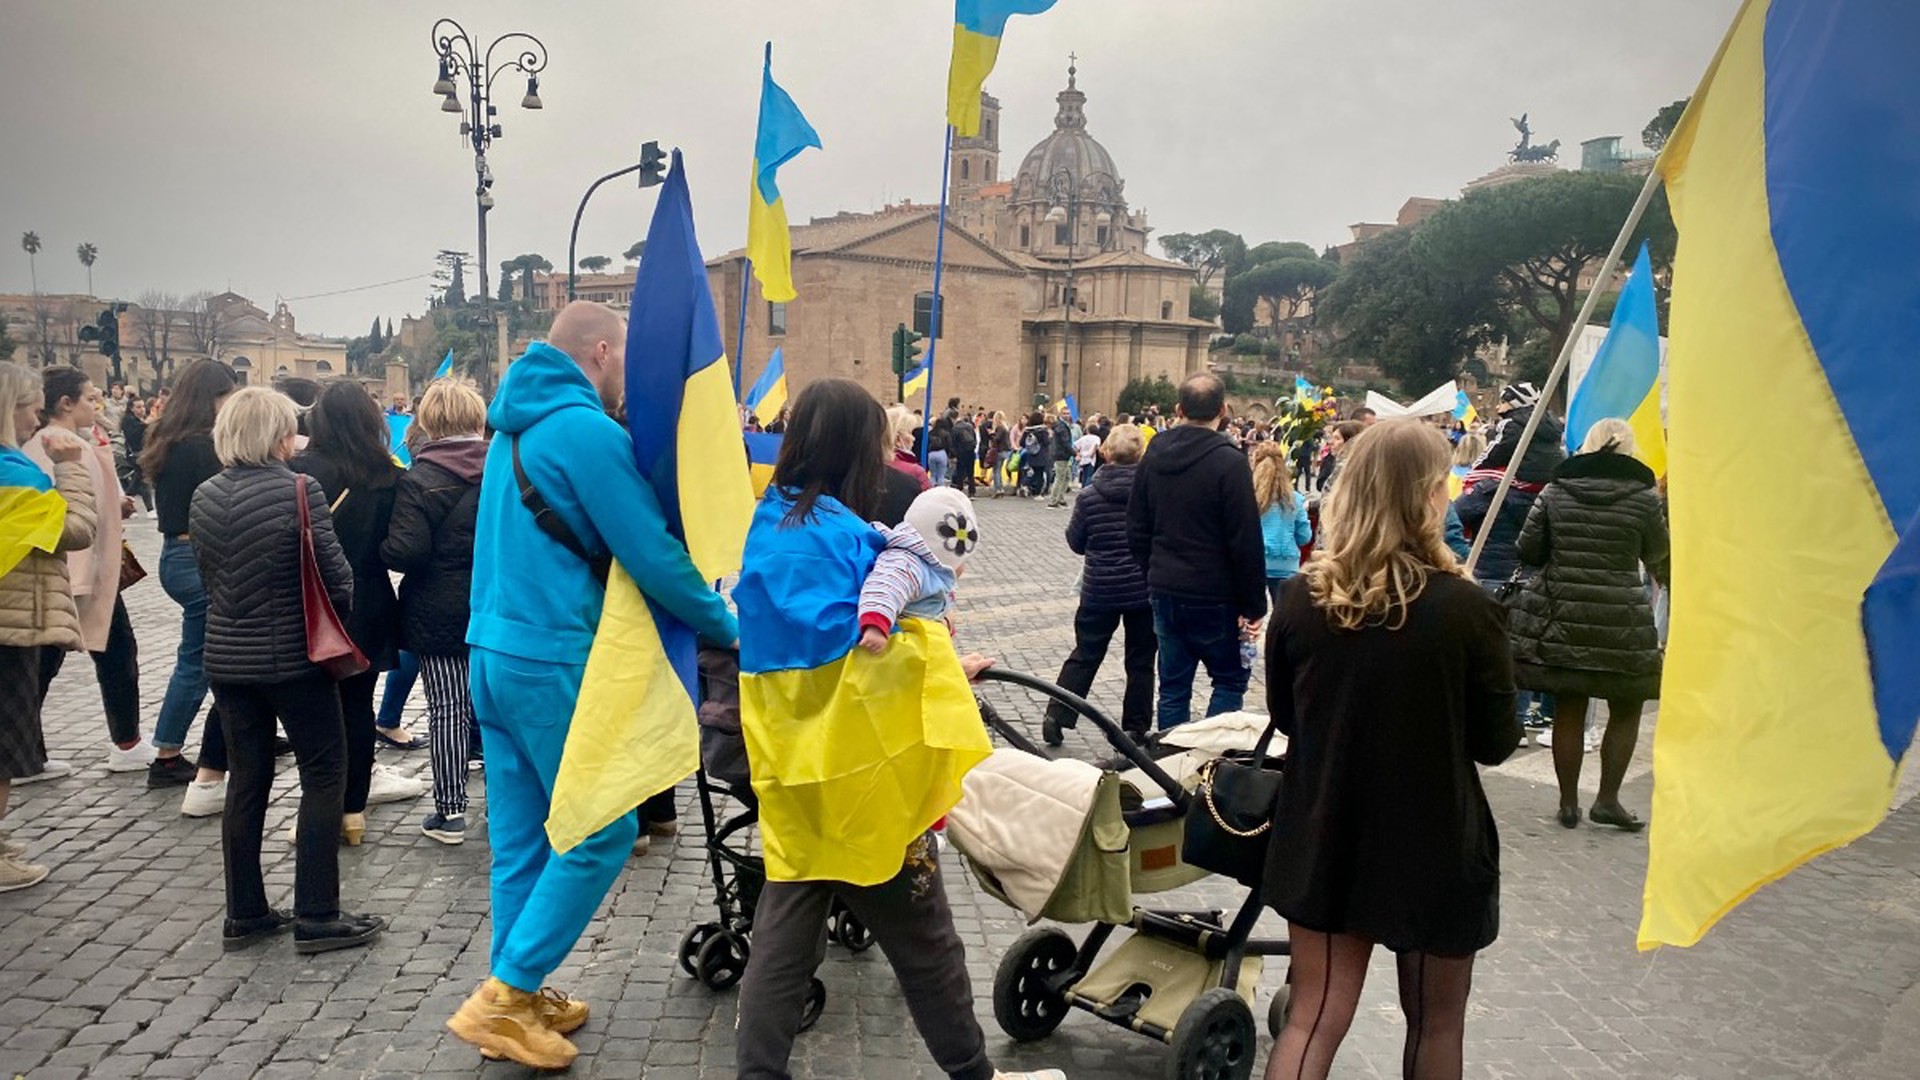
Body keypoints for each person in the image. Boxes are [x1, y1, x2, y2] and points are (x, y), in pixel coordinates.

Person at [731, 378, 1057, 1080]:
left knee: (783, 939)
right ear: (857, 447)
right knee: (927, 941)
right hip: (861, 781)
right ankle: (974, 1074)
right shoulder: (847, 538)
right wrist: (944, 660)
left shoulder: (768, 523)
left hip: (793, 773)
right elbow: (865, 652)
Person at [444, 302, 739, 1070]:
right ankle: (506, 996)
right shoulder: (585, 432)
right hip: (553, 658)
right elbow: (652, 554)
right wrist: (727, 623)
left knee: (520, 840)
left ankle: (520, 991)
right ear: (602, 351)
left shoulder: (513, 424)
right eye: (625, 360)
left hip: (492, 651)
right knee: (605, 828)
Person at [1263, 421, 1519, 1080]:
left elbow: (1287, 719)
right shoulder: (1467, 610)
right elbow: (1495, 744)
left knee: (1313, 1018)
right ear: (1429, 496)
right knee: (1435, 1027)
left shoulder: (1299, 599)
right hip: (1433, 841)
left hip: (1327, 834)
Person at [190, 387, 384, 952]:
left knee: (247, 780)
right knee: (324, 774)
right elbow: (337, 578)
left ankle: (244, 911)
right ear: (278, 434)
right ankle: (318, 912)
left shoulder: (205, 495)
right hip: (294, 660)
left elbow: (210, 579)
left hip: (227, 660)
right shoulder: (300, 489)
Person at [1507, 418, 1669, 831]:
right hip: (1622, 616)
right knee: (1628, 704)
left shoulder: (1556, 490)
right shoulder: (1644, 497)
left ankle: (1566, 803)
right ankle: (1608, 799)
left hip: (1563, 611)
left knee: (1570, 703)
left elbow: (1528, 549)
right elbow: (1658, 553)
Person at [293, 383, 424, 842]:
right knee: (357, 707)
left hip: (310, 600)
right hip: (366, 599)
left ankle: (317, 810)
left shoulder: (299, 470)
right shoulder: (387, 475)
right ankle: (352, 812)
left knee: (312, 710)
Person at [24, 368, 150, 773]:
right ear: (65, 403)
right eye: (89, 398)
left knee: (52, 661)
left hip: (84, 569)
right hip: (77, 570)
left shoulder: (61, 444)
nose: (96, 406)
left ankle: (28, 752)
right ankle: (125, 743)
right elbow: (65, 510)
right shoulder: (54, 447)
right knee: (96, 655)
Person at [0, 361, 96, 890]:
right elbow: (75, 528)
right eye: (27, 404)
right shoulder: (13, 475)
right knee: (4, 746)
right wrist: (70, 468)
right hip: (12, 621)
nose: (36, 414)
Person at [381, 379, 489, 845]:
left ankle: (450, 812)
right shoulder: (503, 467)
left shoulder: (419, 477)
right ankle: (508, 807)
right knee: (494, 705)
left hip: (438, 608)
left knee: (448, 707)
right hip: (495, 602)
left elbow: (406, 552)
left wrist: (381, 547)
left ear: (429, 423)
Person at [1127, 374, 1266, 730]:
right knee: (1230, 680)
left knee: (1173, 687)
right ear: (1223, 412)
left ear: (1178, 410)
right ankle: (1210, 762)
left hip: (1166, 586)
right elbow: (1244, 538)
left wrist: (1153, 570)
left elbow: (1136, 526)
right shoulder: (1230, 462)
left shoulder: (1153, 454)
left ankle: (1170, 764)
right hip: (1215, 593)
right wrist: (1253, 604)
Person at [142, 359, 239, 813]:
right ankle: (167, 754)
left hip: (174, 554)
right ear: (212, 397)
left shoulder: (167, 437)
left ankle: (227, 735)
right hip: (195, 557)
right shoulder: (202, 447)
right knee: (198, 660)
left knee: (206, 655)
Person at [1046, 423, 1155, 744]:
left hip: (1099, 588)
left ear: (1105, 453)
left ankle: (1058, 713)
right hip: (1141, 590)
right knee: (1141, 660)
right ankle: (1135, 727)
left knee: (1086, 653)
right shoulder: (1150, 495)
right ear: (1141, 455)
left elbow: (1076, 541)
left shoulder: (1090, 496)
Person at [857, 486, 978, 653]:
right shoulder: (905, 562)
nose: (960, 569)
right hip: (904, 646)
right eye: (958, 563)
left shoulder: (928, 566)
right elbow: (884, 587)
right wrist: (876, 624)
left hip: (925, 646)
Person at [1253, 442, 1313, 611]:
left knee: (1249, 616)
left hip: (1255, 562)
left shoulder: (1249, 497)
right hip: (1286, 565)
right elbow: (1304, 537)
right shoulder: (1295, 500)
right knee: (1283, 613)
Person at [1316, 420, 1363, 492]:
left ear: (1351, 442)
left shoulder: (1348, 467)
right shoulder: (1332, 459)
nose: (1331, 442)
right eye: (1332, 437)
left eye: (1337, 438)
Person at [1019, 411, 1052, 499]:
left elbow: (1021, 443)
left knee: (1031, 473)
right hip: (1041, 455)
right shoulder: (1042, 430)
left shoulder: (1027, 430)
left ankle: (1025, 484)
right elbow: (1046, 442)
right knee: (1040, 474)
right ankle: (1038, 493)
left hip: (1030, 455)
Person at [1047, 410, 1075, 507]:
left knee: (1066, 477)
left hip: (1063, 454)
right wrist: (1074, 453)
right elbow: (1065, 442)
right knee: (1059, 477)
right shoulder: (1061, 426)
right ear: (1060, 414)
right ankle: (1053, 500)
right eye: (1064, 413)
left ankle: (1060, 498)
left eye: (1068, 413)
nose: (1067, 415)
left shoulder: (1063, 425)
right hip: (1061, 454)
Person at [949, 407, 978, 496]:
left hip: (961, 453)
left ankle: (959, 489)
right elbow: (975, 439)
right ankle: (972, 492)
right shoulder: (969, 426)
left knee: (960, 472)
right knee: (971, 473)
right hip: (970, 451)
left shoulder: (955, 429)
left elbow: (953, 443)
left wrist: (953, 455)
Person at [925, 411, 952, 488]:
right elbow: (949, 445)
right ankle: (940, 490)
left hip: (931, 454)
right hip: (941, 453)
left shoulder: (931, 433)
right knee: (941, 475)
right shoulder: (946, 433)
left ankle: (931, 489)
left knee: (933, 475)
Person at [1073, 424, 1101, 488]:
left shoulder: (1083, 438)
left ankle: (1083, 486)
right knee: (1089, 474)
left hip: (1083, 458)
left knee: (1084, 474)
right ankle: (1087, 486)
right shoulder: (1096, 438)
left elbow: (1075, 446)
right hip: (1091, 458)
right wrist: (1092, 453)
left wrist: (1078, 454)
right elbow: (1096, 446)